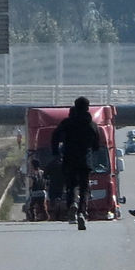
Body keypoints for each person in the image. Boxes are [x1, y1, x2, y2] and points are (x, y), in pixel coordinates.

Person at [51, 96, 99, 231]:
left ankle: (72, 204)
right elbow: (97, 144)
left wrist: (56, 152)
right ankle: (82, 213)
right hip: (85, 160)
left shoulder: (67, 123)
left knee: (71, 186)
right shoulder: (92, 125)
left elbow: (55, 136)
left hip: (69, 159)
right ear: (87, 107)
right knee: (84, 188)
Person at [44, 154, 67, 221]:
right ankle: (59, 211)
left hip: (53, 184)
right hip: (61, 185)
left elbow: (45, 175)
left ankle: (54, 212)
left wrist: (48, 179)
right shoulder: (64, 164)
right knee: (60, 197)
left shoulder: (50, 164)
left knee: (52, 198)